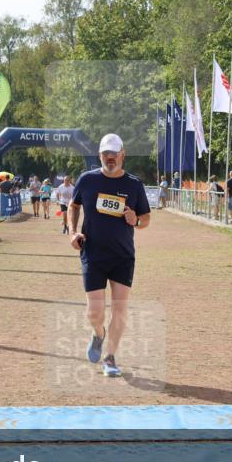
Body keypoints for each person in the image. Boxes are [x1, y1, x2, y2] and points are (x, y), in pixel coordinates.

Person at [69, 134, 151, 378]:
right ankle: (98, 333)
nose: (110, 158)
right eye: (106, 154)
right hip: (93, 254)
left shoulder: (134, 185)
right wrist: (73, 232)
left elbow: (146, 219)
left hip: (122, 256)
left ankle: (111, 357)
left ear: (122, 154)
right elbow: (74, 206)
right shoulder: (87, 180)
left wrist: (135, 220)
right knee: (94, 312)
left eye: (114, 154)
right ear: (100, 155)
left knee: (120, 309)